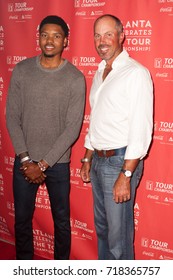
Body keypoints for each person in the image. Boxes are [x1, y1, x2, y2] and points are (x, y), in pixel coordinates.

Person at [6, 15, 86, 260]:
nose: (50, 40)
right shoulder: (22, 70)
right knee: (21, 221)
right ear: (38, 38)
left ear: (65, 41)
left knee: (61, 221)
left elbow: (73, 128)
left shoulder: (75, 78)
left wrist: (42, 164)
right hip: (25, 161)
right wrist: (27, 160)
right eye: (45, 35)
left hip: (57, 164)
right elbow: (12, 117)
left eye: (56, 36)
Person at [80, 14, 153, 260]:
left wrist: (127, 174)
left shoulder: (136, 73)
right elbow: (97, 119)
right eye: (97, 35)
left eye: (108, 34)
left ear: (122, 36)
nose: (102, 41)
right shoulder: (100, 72)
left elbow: (141, 128)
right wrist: (87, 158)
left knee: (118, 240)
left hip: (120, 163)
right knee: (103, 231)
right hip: (99, 161)